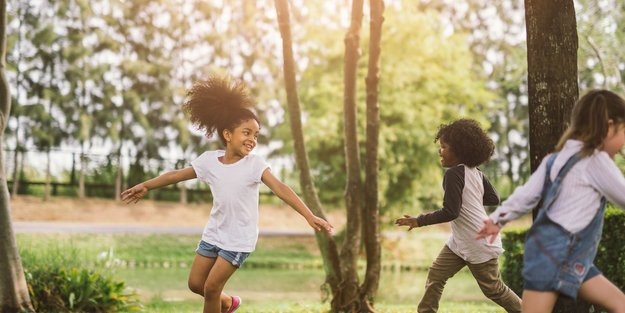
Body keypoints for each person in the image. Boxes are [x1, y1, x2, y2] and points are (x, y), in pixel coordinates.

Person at [121, 75, 333, 313]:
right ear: (227, 134)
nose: (252, 139)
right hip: (214, 233)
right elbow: (176, 175)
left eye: (256, 135)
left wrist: (308, 215)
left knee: (211, 288)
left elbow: (281, 189)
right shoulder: (209, 161)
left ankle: (221, 302)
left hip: (239, 239)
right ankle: (229, 303)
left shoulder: (254, 165)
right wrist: (147, 185)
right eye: (246, 132)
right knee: (196, 284)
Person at [477, 89, 625, 313]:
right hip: (559, 255)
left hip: (557, 255)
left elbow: (525, 196)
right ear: (609, 126)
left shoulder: (554, 160)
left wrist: (496, 219)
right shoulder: (596, 160)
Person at [395, 118, 522, 313]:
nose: (440, 151)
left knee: (495, 289)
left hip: (478, 240)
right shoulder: (476, 172)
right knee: (436, 274)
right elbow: (493, 197)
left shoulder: (454, 174)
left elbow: (450, 212)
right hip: (460, 241)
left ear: (460, 150)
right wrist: (471, 202)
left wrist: (419, 220)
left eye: (444, 147)